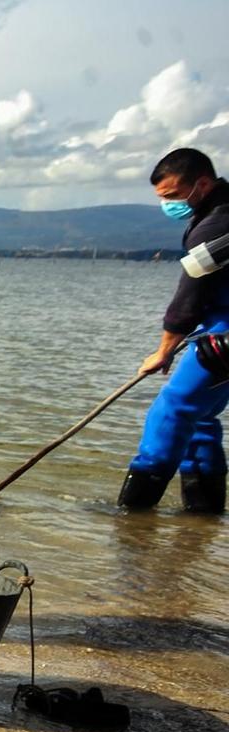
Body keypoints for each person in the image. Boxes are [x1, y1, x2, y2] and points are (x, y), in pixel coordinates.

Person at [120, 146, 229, 515]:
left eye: (172, 197)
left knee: (173, 410)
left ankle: (134, 513)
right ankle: (203, 517)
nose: (168, 205)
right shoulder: (217, 213)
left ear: (201, 184)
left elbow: (190, 294)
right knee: (200, 416)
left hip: (224, 334)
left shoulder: (216, 226)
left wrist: (164, 349)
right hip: (219, 325)